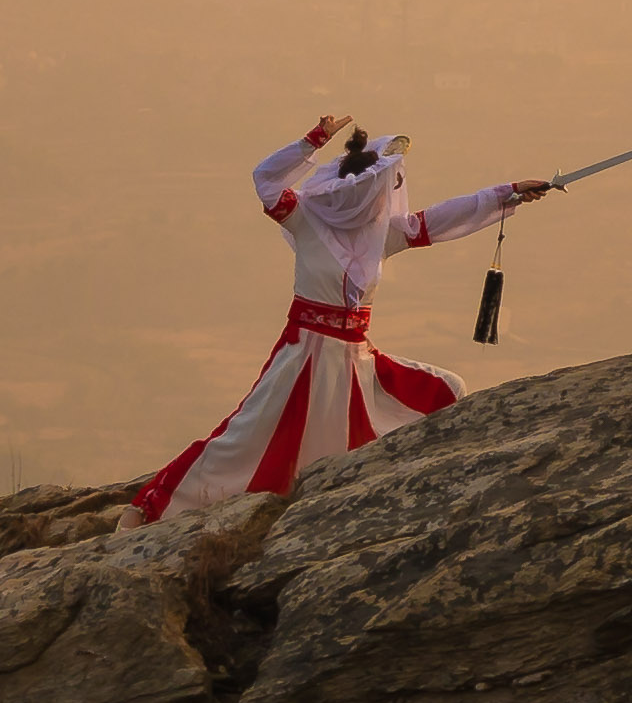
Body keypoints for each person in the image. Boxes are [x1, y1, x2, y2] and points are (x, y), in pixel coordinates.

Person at [129, 119, 557, 522]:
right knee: (244, 439)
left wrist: (510, 192)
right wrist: (313, 139)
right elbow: (265, 179)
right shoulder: (305, 219)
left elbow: (445, 216)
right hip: (303, 357)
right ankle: (157, 506)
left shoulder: (382, 234)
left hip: (355, 359)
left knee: (445, 390)